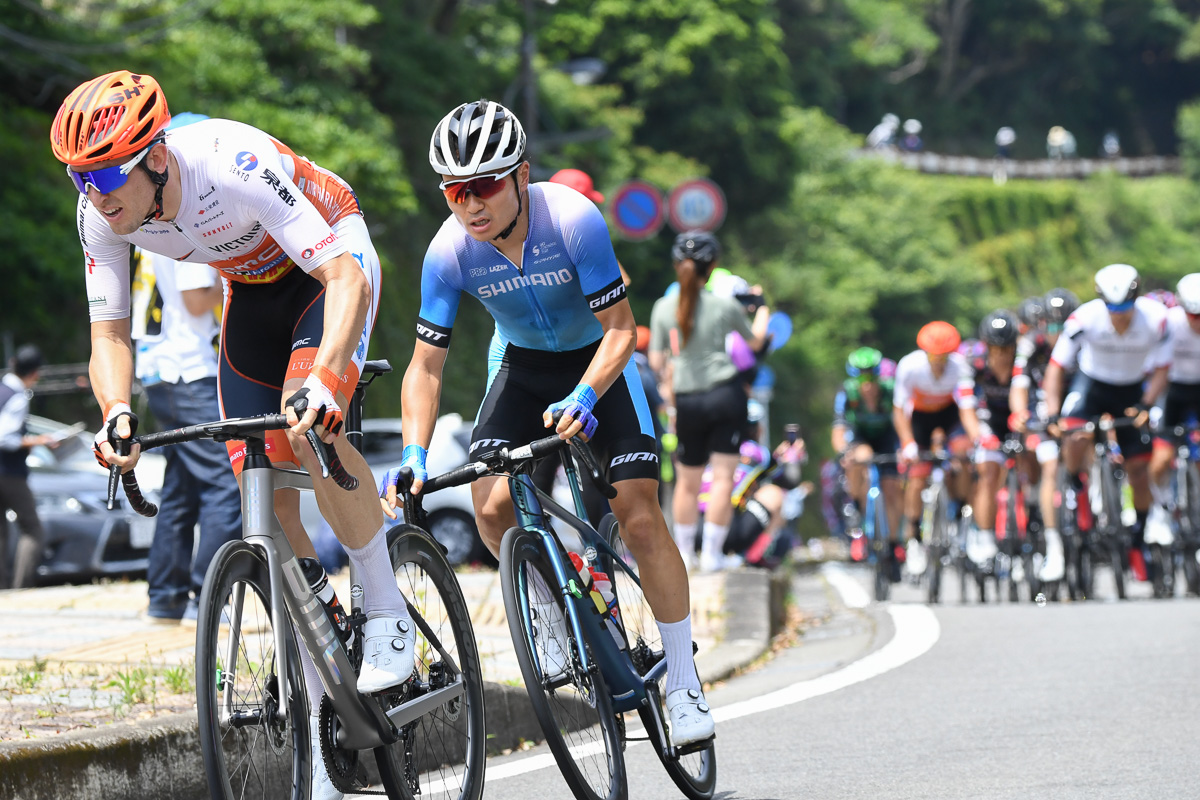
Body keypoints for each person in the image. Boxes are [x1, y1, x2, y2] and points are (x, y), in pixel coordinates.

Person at [51, 70, 411, 800]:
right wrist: (116, 411)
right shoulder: (101, 215)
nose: (96, 192)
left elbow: (344, 277)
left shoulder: (230, 162)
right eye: (80, 177)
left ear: (155, 156)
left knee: (309, 428)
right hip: (249, 292)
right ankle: (321, 695)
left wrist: (328, 376)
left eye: (109, 171)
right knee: (257, 475)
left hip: (328, 266)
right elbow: (110, 333)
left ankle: (387, 608)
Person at [383, 98, 714, 746]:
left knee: (641, 517)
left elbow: (622, 330)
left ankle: (683, 683)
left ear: (521, 176)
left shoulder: (574, 221)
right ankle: (555, 611)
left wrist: (588, 396)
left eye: (483, 187)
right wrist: (416, 454)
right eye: (455, 191)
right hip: (523, 364)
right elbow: (425, 367)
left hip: (598, 362)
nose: (470, 204)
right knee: (492, 508)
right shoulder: (449, 252)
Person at [129, 112, 243, 624]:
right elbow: (199, 299)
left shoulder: (142, 215)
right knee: (223, 480)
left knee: (182, 481)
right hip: (190, 368)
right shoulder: (183, 206)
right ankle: (208, 596)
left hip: (157, 367)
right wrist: (243, 312)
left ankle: (166, 596)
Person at [650, 231, 771, 574]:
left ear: (677, 266)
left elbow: (658, 363)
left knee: (687, 481)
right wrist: (761, 308)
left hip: (688, 400)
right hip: (725, 395)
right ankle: (713, 555)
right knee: (722, 478)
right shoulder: (724, 305)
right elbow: (755, 343)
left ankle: (686, 556)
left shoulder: (662, 308)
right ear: (713, 266)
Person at [1043, 264, 1170, 584]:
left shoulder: (1156, 318)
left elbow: (1163, 368)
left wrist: (1146, 404)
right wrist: (1053, 413)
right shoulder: (1084, 319)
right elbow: (1057, 368)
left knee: (1139, 468)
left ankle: (1139, 533)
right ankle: (1075, 483)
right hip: (1091, 386)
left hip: (1130, 389)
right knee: (1076, 435)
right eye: (1112, 310)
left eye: (1125, 309)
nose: (1119, 317)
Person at [893, 322, 981, 576]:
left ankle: (960, 517)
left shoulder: (960, 367)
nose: (940, 362)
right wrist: (908, 444)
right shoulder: (909, 367)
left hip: (949, 417)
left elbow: (966, 408)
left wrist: (976, 439)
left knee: (963, 455)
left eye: (944, 357)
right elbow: (899, 411)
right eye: (934, 357)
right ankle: (913, 538)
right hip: (918, 420)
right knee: (917, 475)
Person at [1010, 287, 1079, 582]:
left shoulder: (1082, 339)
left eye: (1063, 326)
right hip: (1043, 408)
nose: (1058, 333)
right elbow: (1019, 385)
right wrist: (1020, 414)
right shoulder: (1030, 345)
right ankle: (1053, 543)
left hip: (1076, 403)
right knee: (1049, 465)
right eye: (1052, 326)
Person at [832, 347, 901, 561]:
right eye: (863, 379)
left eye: (872, 378)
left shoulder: (891, 390)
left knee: (892, 489)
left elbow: (902, 421)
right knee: (860, 456)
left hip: (887, 438)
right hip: (862, 438)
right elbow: (838, 430)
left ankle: (893, 543)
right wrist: (844, 452)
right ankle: (856, 504)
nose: (868, 385)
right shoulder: (847, 392)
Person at [1147, 274, 1200, 544]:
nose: (1197, 322)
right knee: (1159, 460)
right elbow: (1153, 366)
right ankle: (1161, 509)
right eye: (1193, 315)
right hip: (1172, 392)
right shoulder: (1169, 324)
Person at [967, 310, 1021, 569]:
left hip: (1018, 417)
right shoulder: (974, 362)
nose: (1001, 354)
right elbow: (966, 407)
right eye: (995, 348)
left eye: (1007, 347)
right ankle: (986, 535)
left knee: (1033, 463)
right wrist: (979, 435)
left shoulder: (1025, 359)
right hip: (988, 420)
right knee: (988, 472)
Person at [0, 345, 54, 589]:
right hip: (9, 473)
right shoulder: (17, 396)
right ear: (35, 373)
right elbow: (5, 438)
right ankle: (21, 588)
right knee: (32, 529)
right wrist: (39, 440)